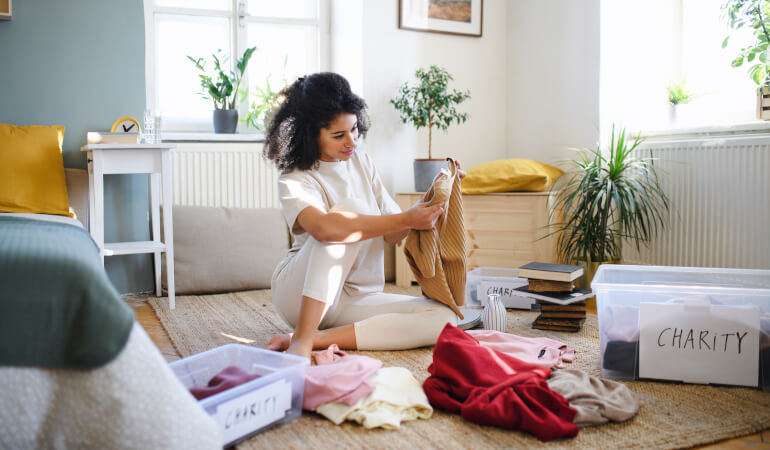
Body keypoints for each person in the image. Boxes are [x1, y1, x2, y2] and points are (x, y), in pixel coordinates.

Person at [263, 72, 462, 359]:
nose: (351, 141)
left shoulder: (362, 162)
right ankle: (302, 340)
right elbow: (325, 229)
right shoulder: (294, 178)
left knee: (445, 318)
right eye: (338, 135)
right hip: (300, 296)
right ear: (310, 134)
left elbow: (394, 232)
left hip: (357, 297)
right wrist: (406, 219)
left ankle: (315, 339)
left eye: (355, 129)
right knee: (347, 215)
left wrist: (433, 197)